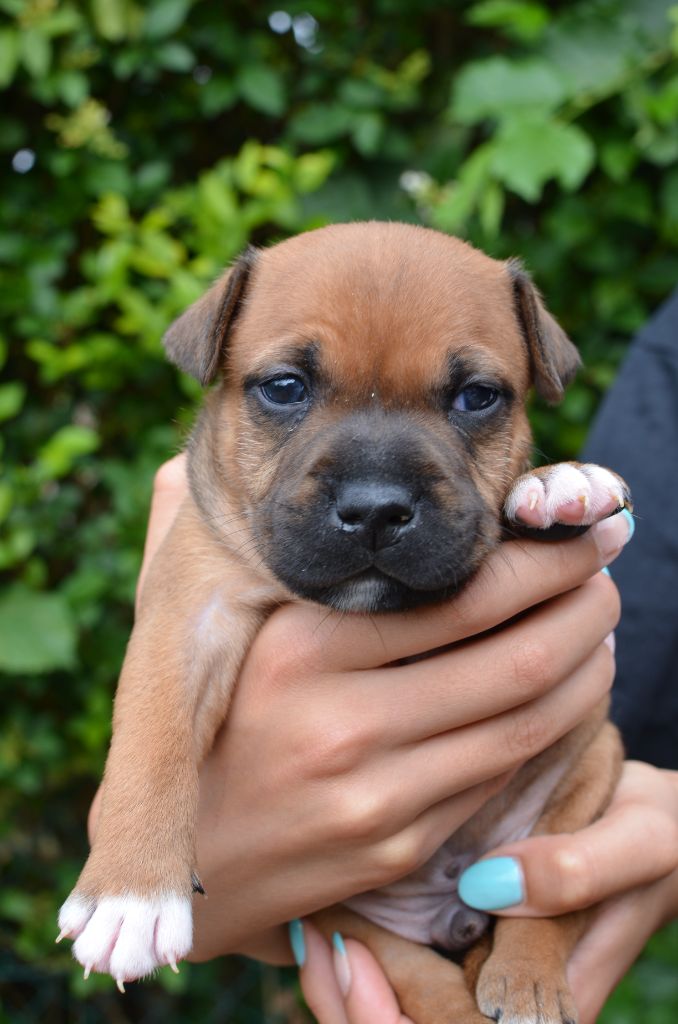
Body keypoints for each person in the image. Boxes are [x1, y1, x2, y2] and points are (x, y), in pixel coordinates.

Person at [89, 291, 678, 1024]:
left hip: (532, 827)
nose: (375, 492)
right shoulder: (215, 527)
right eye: (287, 390)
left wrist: (531, 514)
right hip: (355, 906)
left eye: (472, 399)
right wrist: (143, 851)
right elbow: (185, 640)